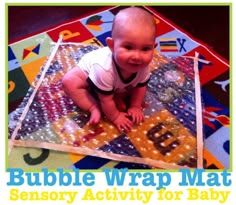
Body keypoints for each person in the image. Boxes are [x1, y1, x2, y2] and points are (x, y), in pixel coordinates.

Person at [62, 7, 157, 132]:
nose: (137, 57)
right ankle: (94, 107)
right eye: (128, 47)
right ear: (112, 46)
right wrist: (115, 116)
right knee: (69, 82)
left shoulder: (142, 65)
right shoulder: (104, 68)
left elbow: (140, 87)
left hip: (113, 83)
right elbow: (105, 100)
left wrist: (135, 106)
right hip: (88, 74)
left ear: (153, 48)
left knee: (121, 93)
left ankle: (114, 94)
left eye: (145, 49)